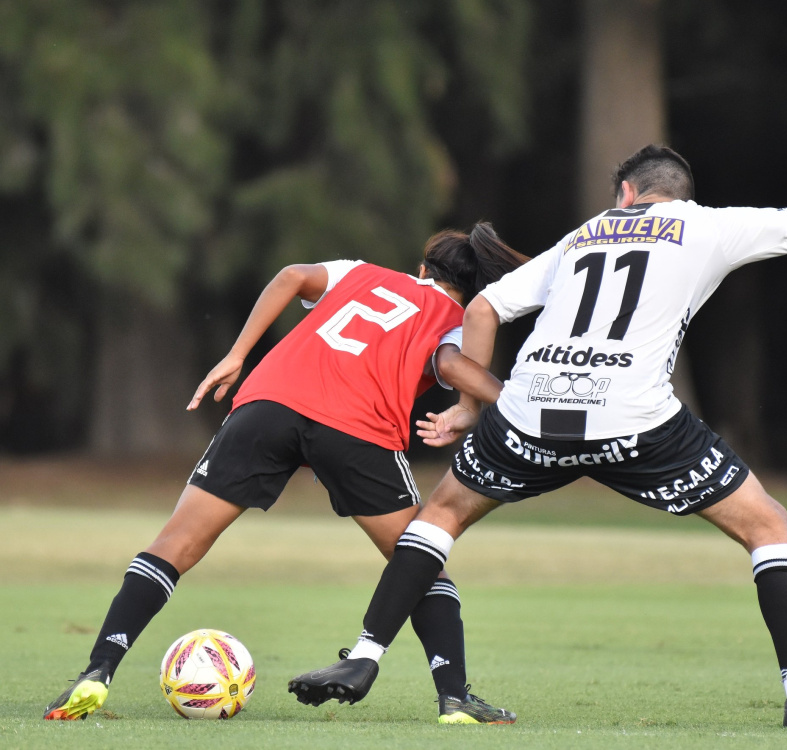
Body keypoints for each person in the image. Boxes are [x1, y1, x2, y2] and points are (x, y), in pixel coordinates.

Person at [287, 144, 787, 729]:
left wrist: (474, 408)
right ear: (676, 193)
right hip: (633, 418)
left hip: (532, 410)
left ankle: (367, 653)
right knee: (769, 525)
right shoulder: (711, 225)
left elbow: (483, 305)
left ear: (626, 192)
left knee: (440, 516)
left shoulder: (585, 233)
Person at [42, 223, 528, 725]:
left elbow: (292, 276)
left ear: (422, 269)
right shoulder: (455, 319)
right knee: (423, 562)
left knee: (175, 544)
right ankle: (454, 698)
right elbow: (453, 368)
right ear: (469, 291)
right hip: (357, 427)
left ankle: (97, 671)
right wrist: (519, 404)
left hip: (270, 404)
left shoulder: (362, 273)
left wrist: (237, 355)